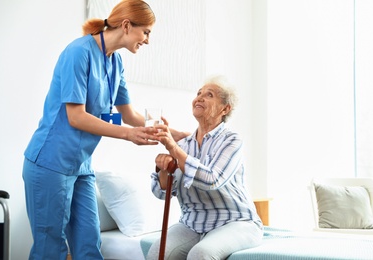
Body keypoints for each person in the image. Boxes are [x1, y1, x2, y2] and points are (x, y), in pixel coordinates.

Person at [22, 1, 187, 259]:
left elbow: (128, 114)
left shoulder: (116, 62)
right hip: (50, 162)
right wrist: (127, 135)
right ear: (126, 25)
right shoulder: (78, 52)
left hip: (81, 166)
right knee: (50, 248)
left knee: (89, 244)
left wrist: (171, 133)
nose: (147, 40)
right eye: (146, 32)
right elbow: (76, 117)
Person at [147, 75, 264, 260]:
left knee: (201, 254)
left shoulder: (231, 140)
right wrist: (163, 169)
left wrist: (172, 148)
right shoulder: (183, 145)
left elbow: (212, 179)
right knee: (156, 253)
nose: (199, 97)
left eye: (209, 95)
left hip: (234, 221)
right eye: (198, 93)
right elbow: (162, 193)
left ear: (225, 109)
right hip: (192, 224)